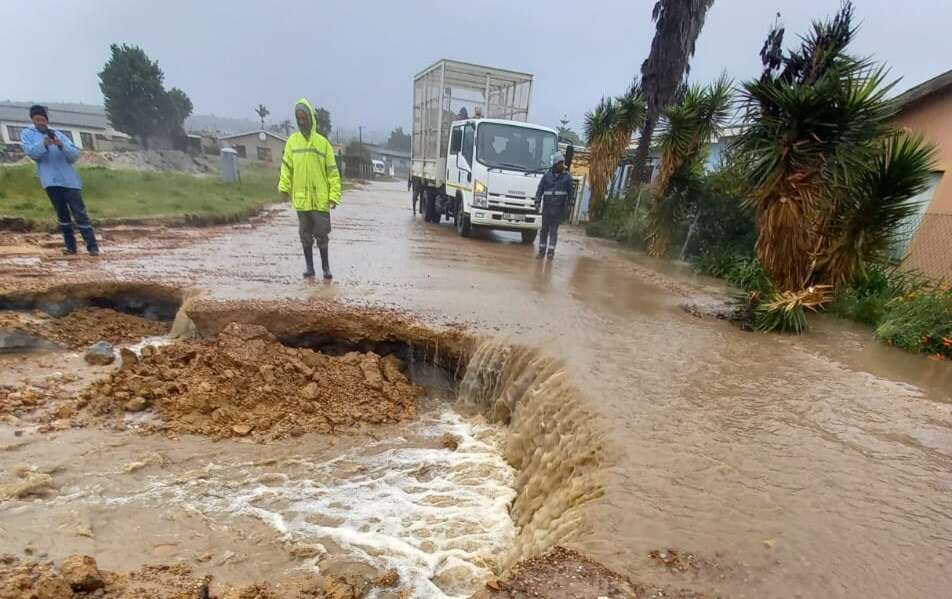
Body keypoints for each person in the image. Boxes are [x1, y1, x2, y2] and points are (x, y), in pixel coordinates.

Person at [20, 105, 99, 256]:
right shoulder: (27, 134)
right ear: (32, 120)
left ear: (47, 120)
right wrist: (43, 144)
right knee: (63, 215)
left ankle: (92, 247)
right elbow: (32, 154)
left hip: (70, 181)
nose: (40, 122)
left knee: (80, 213)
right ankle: (71, 247)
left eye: (43, 119)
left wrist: (61, 145)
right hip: (50, 181)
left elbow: (74, 155)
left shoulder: (59, 134)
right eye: (37, 119)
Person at [278, 98, 342, 279]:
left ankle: (325, 268)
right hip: (301, 199)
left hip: (320, 199)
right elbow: (286, 167)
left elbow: (333, 172)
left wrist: (334, 195)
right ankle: (309, 267)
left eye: (304, 117)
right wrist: (284, 187)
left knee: (322, 234)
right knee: (305, 234)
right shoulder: (292, 142)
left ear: (311, 118)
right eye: (298, 118)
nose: (301, 121)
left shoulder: (323, 144)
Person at [534, 152, 572, 259]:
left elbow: (571, 193)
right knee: (544, 230)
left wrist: (569, 206)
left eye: (562, 163)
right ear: (555, 164)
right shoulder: (547, 176)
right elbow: (540, 189)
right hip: (547, 208)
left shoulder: (567, 177)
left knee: (553, 231)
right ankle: (541, 251)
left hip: (558, 209)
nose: (562, 166)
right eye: (560, 163)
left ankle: (551, 252)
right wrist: (537, 202)